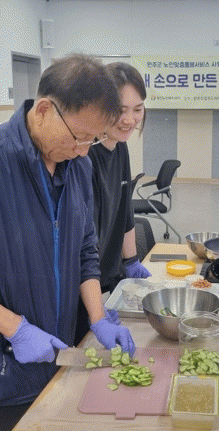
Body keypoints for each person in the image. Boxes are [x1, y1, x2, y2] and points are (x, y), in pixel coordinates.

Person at [0, 54, 136, 431]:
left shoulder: (77, 165)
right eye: (79, 137)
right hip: (1, 366)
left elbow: (84, 250)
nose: (85, 149)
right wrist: (15, 328)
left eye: (94, 139)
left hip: (59, 352)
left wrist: (97, 317)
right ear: (44, 110)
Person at [73, 63, 152, 345]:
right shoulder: (82, 157)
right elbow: (80, 244)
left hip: (101, 277)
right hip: (79, 281)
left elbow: (124, 207)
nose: (130, 120)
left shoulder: (119, 147)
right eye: (120, 109)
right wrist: (94, 310)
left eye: (138, 109)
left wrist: (131, 260)